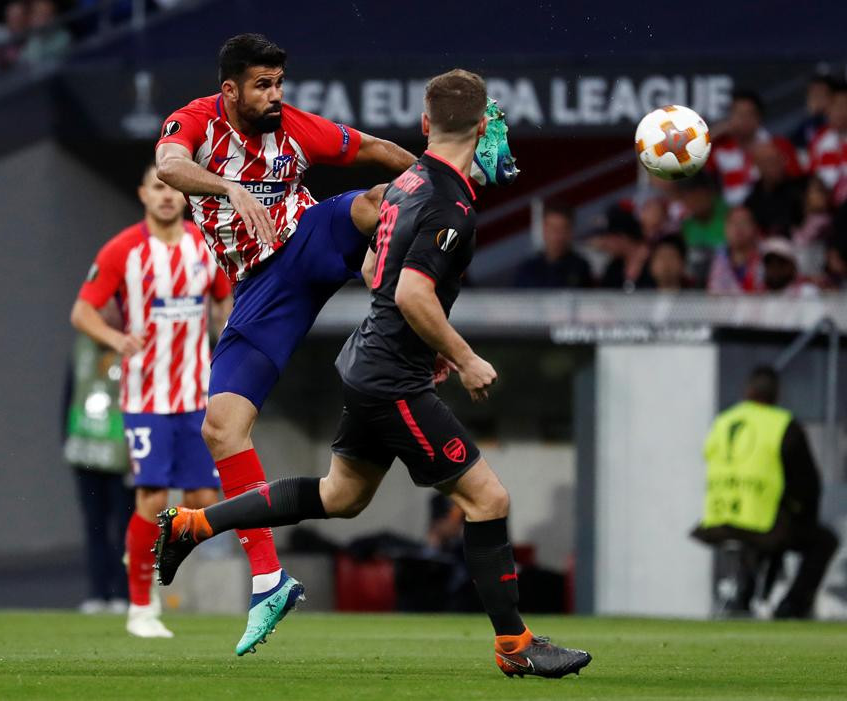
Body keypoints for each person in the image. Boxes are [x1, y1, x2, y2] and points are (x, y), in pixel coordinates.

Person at [155, 69, 592, 678]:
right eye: (495, 123)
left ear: (424, 127)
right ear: (480, 128)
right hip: (394, 379)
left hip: (369, 363)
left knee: (343, 496)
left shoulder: (407, 183)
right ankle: (515, 647)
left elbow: (375, 272)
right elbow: (413, 293)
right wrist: (464, 356)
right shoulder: (449, 202)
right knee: (487, 497)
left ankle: (195, 524)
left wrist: (423, 337)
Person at [153, 33, 419, 654]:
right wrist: (229, 188)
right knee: (221, 427)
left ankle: (411, 326)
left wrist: (439, 180)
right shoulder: (194, 121)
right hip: (261, 290)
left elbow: (376, 149)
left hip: (309, 239)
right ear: (230, 89)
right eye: (262, 85)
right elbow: (168, 164)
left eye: (279, 83)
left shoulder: (295, 126)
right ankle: (270, 580)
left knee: (377, 204)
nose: (275, 96)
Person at [70, 164, 233, 638]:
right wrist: (116, 338)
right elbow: (82, 311)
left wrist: (231, 342)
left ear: (184, 196)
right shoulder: (124, 249)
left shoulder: (203, 247)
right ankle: (141, 606)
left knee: (204, 500)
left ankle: (149, 552)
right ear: (143, 194)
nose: (166, 196)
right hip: (146, 395)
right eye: (157, 188)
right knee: (153, 496)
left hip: (196, 393)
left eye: (172, 189)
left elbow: (224, 303)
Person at [692, 366, 839, 618]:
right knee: (823, 540)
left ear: (747, 391)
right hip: (761, 523)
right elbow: (807, 483)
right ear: (776, 394)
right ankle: (791, 606)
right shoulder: (782, 426)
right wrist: (803, 515)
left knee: (767, 536)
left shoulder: (723, 422)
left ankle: (743, 597)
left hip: (717, 521)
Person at [63, 326, 132, 615]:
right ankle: (97, 592)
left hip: (121, 455)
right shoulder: (82, 346)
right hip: (87, 453)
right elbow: (68, 395)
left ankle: (123, 594)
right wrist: (65, 440)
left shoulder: (130, 346)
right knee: (94, 525)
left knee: (124, 526)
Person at [707, 89, 801, 207]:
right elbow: (692, 162)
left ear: (759, 118)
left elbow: (796, 180)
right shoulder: (719, 149)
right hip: (732, 216)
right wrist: (716, 132)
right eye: (738, 114)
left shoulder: (778, 146)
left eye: (748, 114)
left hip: (770, 210)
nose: (743, 120)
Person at [510, 203, 593, 288]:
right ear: (544, 230)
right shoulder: (527, 269)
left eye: (563, 229)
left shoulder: (580, 268)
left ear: (570, 231)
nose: (557, 235)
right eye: (553, 228)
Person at [706, 206, 762, 294]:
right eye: (733, 222)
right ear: (725, 228)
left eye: (744, 222)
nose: (738, 228)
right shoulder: (716, 258)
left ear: (754, 227)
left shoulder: (766, 256)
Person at [808, 82, 847, 206]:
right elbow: (815, 176)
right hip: (831, 207)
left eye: (843, 106)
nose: (838, 112)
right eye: (834, 106)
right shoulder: (819, 140)